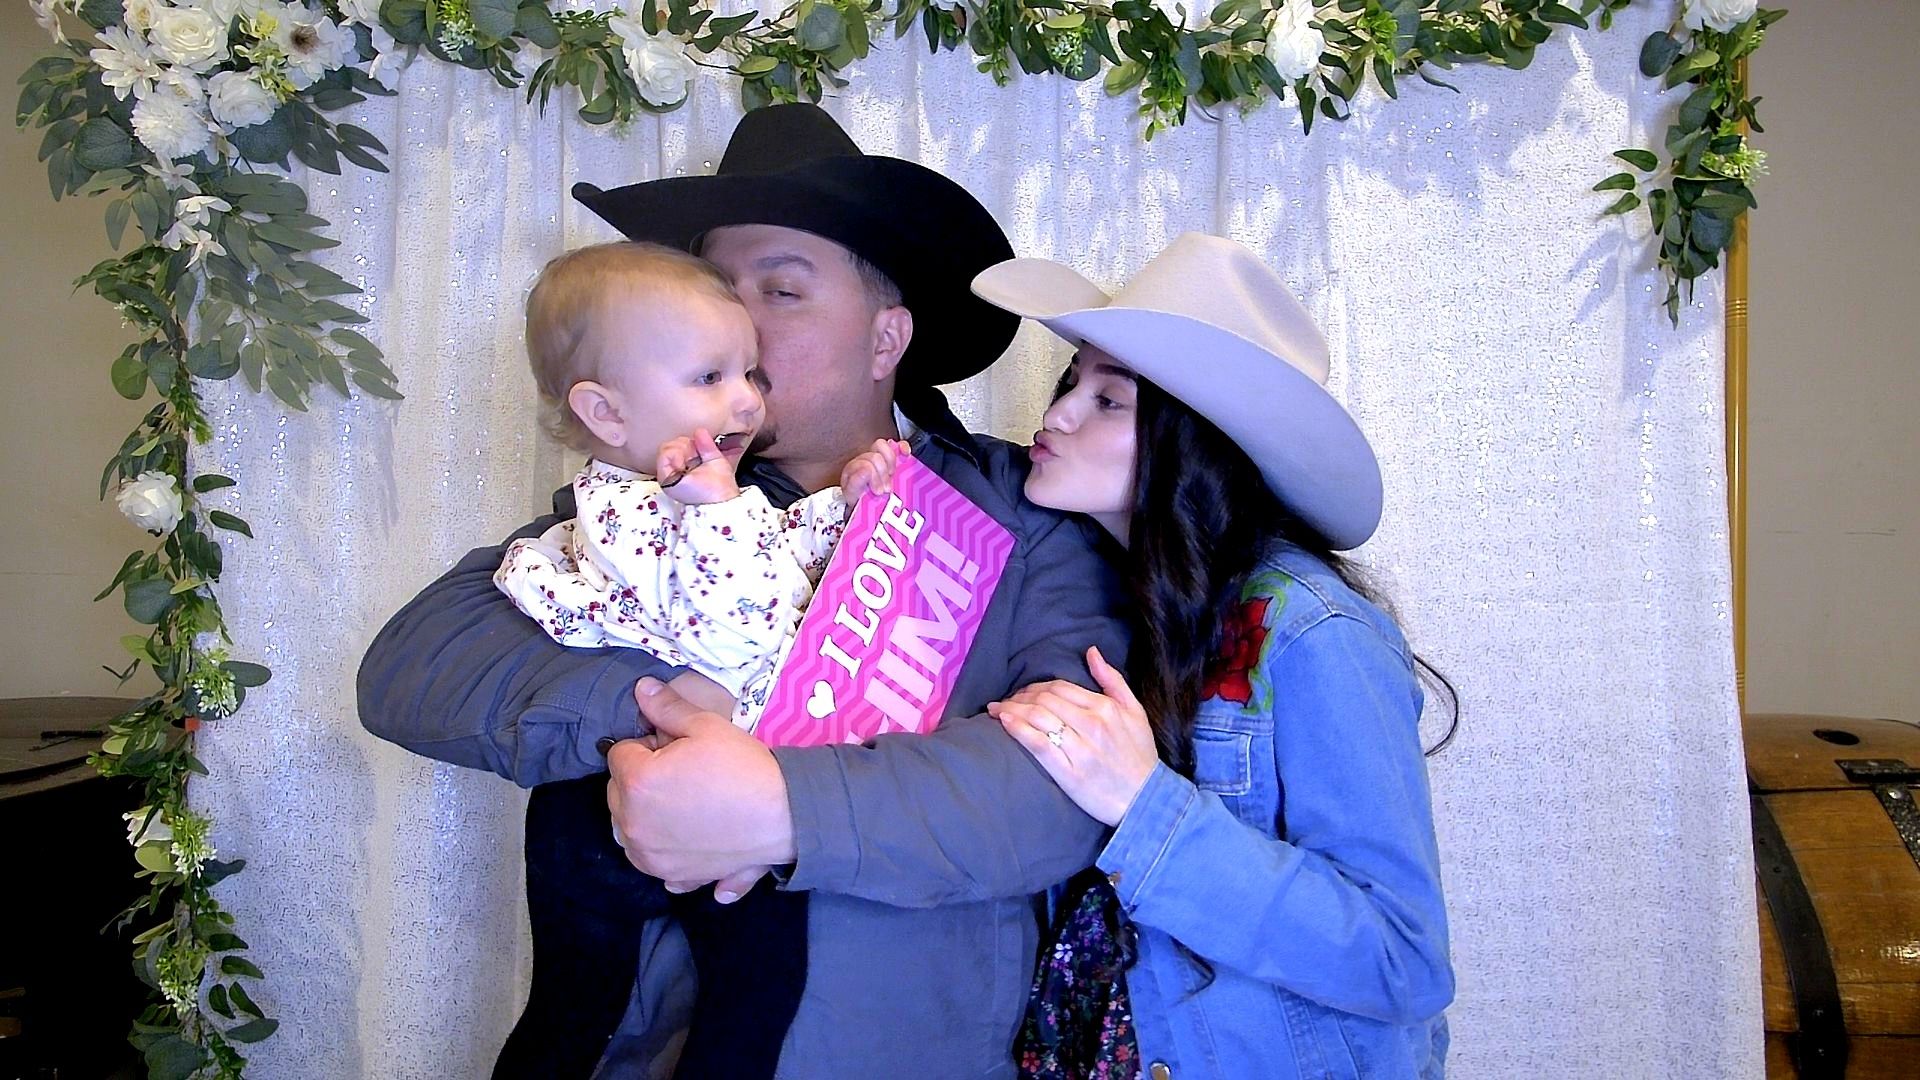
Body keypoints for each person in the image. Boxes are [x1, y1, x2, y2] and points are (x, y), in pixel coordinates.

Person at [356, 103, 1128, 1079]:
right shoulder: (656, 501)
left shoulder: (1021, 514)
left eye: (783, 290)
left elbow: (1065, 789)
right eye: (719, 291)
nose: (738, 321)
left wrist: (780, 804)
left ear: (886, 337)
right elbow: (413, 668)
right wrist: (679, 709)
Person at [972, 233, 1456, 1078]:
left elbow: (1401, 957)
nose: (1057, 415)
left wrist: (1144, 808)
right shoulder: (1097, 601)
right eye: (1071, 382)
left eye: (1108, 400)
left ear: (1193, 443)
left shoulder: (1313, 634)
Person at [490, 240, 906, 1078]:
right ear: (607, 415)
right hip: (600, 807)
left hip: (711, 800)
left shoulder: (692, 494)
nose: (747, 399)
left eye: (747, 373)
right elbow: (739, 625)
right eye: (710, 377)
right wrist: (718, 509)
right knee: (593, 1012)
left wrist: (849, 509)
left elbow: (779, 567)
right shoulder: (619, 513)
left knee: (729, 998)